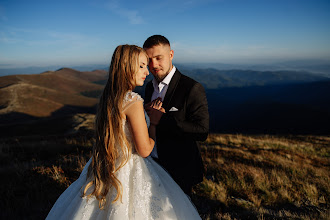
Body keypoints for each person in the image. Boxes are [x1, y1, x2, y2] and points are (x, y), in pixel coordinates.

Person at [46, 45, 201, 219]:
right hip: (129, 169)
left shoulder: (109, 97)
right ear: (128, 68)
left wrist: (143, 113)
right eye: (142, 66)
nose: (147, 72)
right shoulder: (133, 100)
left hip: (106, 164)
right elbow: (145, 150)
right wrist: (154, 123)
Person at [144, 35, 209, 196]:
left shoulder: (191, 88)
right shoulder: (148, 88)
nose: (153, 65)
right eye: (149, 59)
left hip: (180, 170)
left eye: (159, 58)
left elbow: (202, 131)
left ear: (171, 54)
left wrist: (163, 120)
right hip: (151, 166)